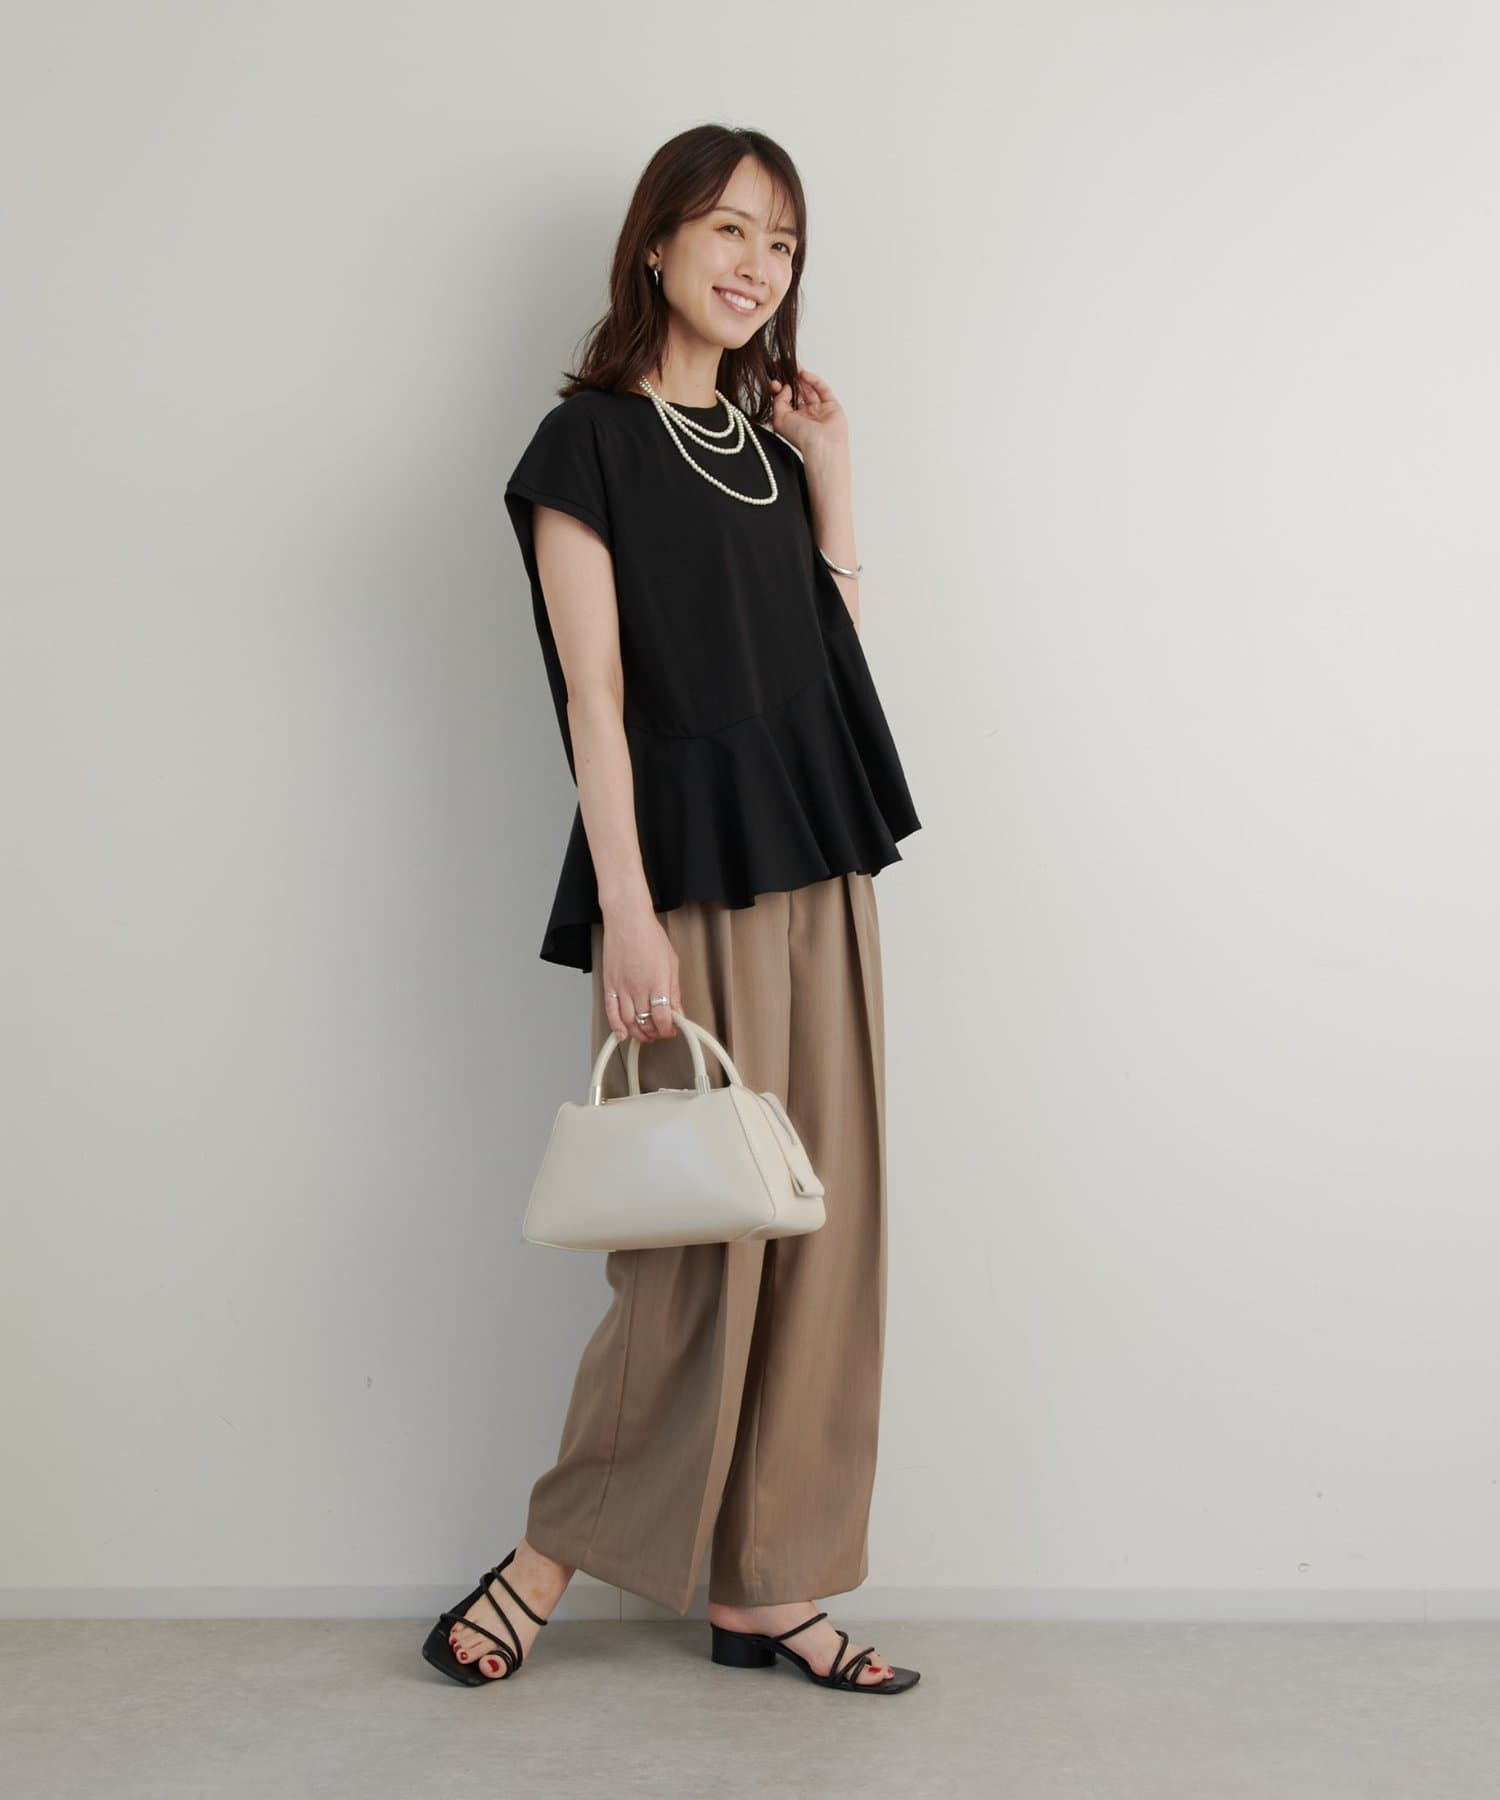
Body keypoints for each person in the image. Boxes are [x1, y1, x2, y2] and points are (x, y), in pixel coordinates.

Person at [422, 124, 923, 1696]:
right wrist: (627, 912)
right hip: (682, 874)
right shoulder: (586, 445)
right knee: (694, 1245)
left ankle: (770, 1586)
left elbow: (824, 668)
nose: (757, 264)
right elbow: (593, 693)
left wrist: (835, 483)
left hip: (821, 860)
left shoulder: (770, 451)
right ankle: (546, 1560)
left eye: (782, 242)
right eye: (728, 229)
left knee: (826, 1236)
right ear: (656, 242)